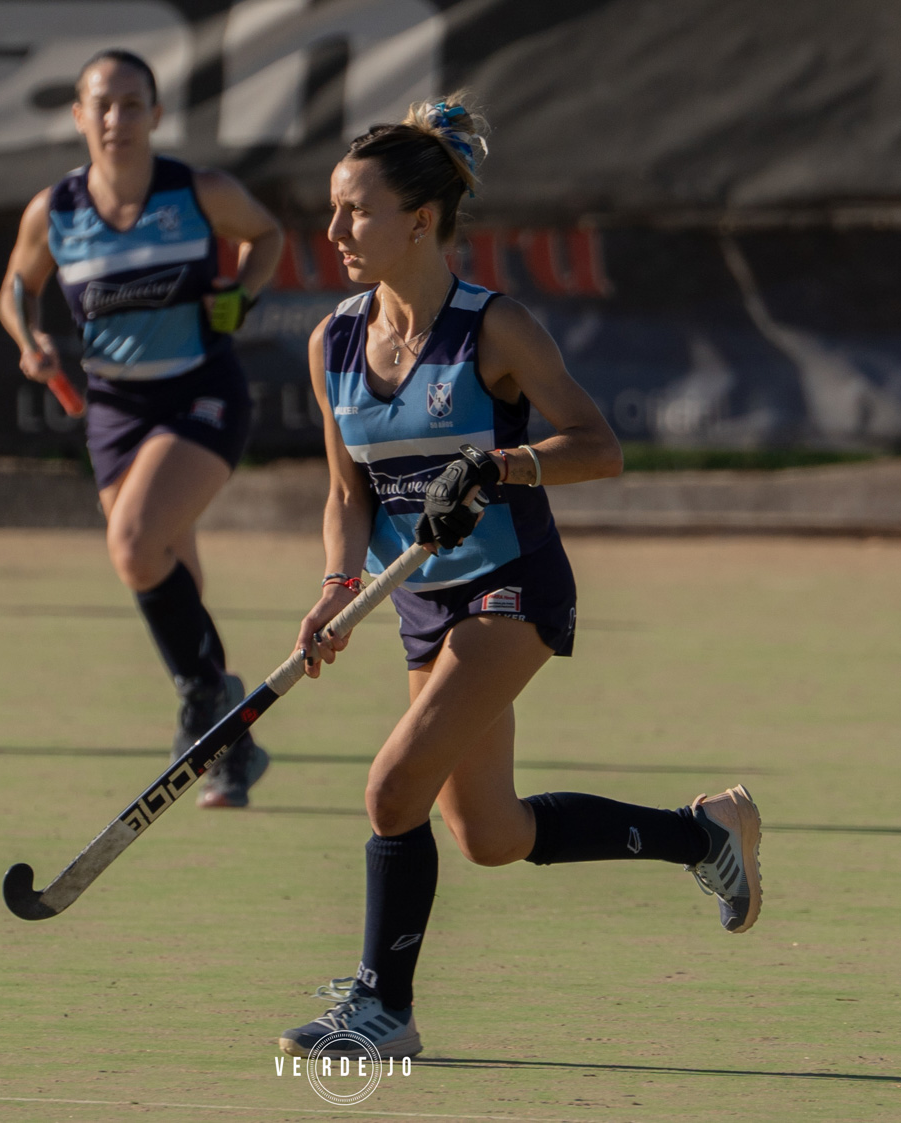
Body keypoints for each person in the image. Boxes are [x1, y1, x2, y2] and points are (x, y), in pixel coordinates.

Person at [275, 97, 764, 1060]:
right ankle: (703, 835)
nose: (333, 232)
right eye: (332, 211)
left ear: (420, 219)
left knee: (390, 790)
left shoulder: (492, 329)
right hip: (420, 598)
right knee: (489, 833)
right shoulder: (331, 341)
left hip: (511, 586)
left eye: (354, 211)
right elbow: (346, 491)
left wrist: (504, 465)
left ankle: (384, 1009)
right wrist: (336, 585)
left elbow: (599, 447)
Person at [0, 50, 285, 806]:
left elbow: (267, 239)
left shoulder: (198, 192)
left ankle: (201, 699)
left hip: (201, 393)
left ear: (156, 115)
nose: (117, 119)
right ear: (79, 117)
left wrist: (242, 297)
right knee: (168, 569)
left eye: (133, 104)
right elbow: (14, 289)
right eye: (103, 104)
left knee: (132, 544)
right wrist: (29, 341)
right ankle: (233, 743)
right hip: (114, 411)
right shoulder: (54, 211)